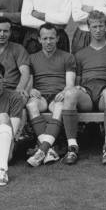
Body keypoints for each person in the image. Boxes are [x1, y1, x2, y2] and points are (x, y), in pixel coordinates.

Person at [70, 11, 106, 165]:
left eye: (101, 26)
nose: (98, 30)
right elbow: (76, 81)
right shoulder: (80, 55)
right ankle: (72, 147)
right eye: (94, 26)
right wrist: (79, 88)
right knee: (70, 94)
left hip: (104, 96)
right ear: (89, 28)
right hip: (86, 95)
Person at [25, 23, 76, 167]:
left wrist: (65, 91)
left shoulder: (67, 57)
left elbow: (70, 83)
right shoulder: (32, 58)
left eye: (52, 38)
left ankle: (42, 149)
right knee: (31, 104)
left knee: (60, 106)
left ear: (57, 38)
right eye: (45, 38)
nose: (48, 42)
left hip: (57, 96)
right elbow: (29, 82)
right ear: (39, 39)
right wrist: (30, 90)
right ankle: (48, 150)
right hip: (41, 96)